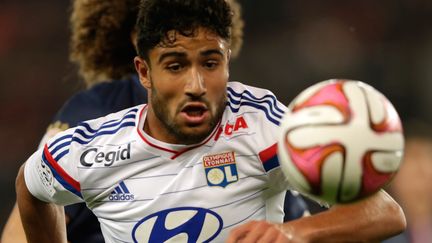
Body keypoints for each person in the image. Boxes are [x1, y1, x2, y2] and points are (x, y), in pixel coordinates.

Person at [15, 0, 406, 242]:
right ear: (144, 72)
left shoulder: (261, 124)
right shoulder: (91, 149)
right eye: (175, 65)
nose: (197, 85)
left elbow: (385, 213)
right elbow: (31, 187)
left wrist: (294, 232)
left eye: (211, 62)